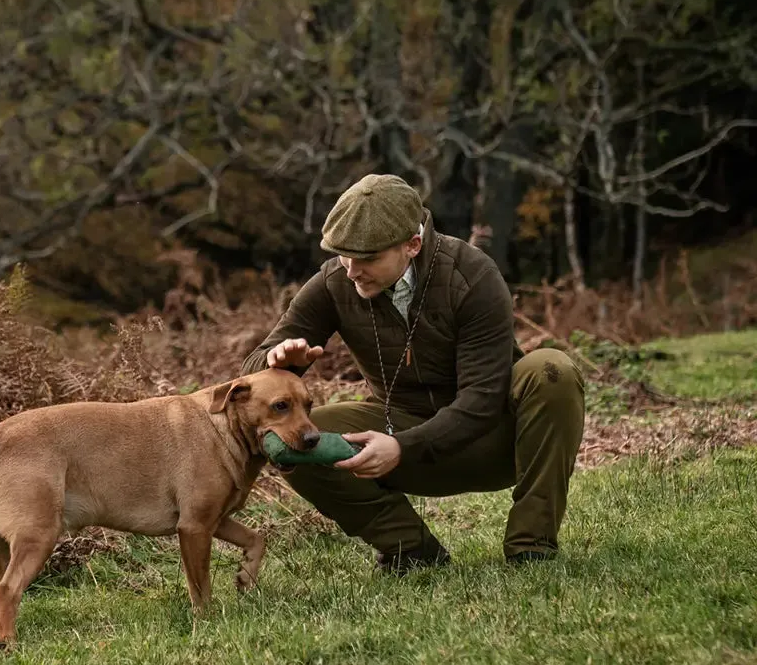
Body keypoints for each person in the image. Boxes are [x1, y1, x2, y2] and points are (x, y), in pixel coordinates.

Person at [242, 174, 585, 573]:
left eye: (366, 258)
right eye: (343, 256)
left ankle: (531, 547)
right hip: (396, 429)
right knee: (292, 436)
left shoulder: (471, 275)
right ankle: (411, 551)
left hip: (494, 441)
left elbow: (482, 398)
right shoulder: (336, 281)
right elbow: (249, 375)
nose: (352, 270)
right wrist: (279, 362)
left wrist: (402, 446)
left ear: (412, 244)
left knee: (550, 369)